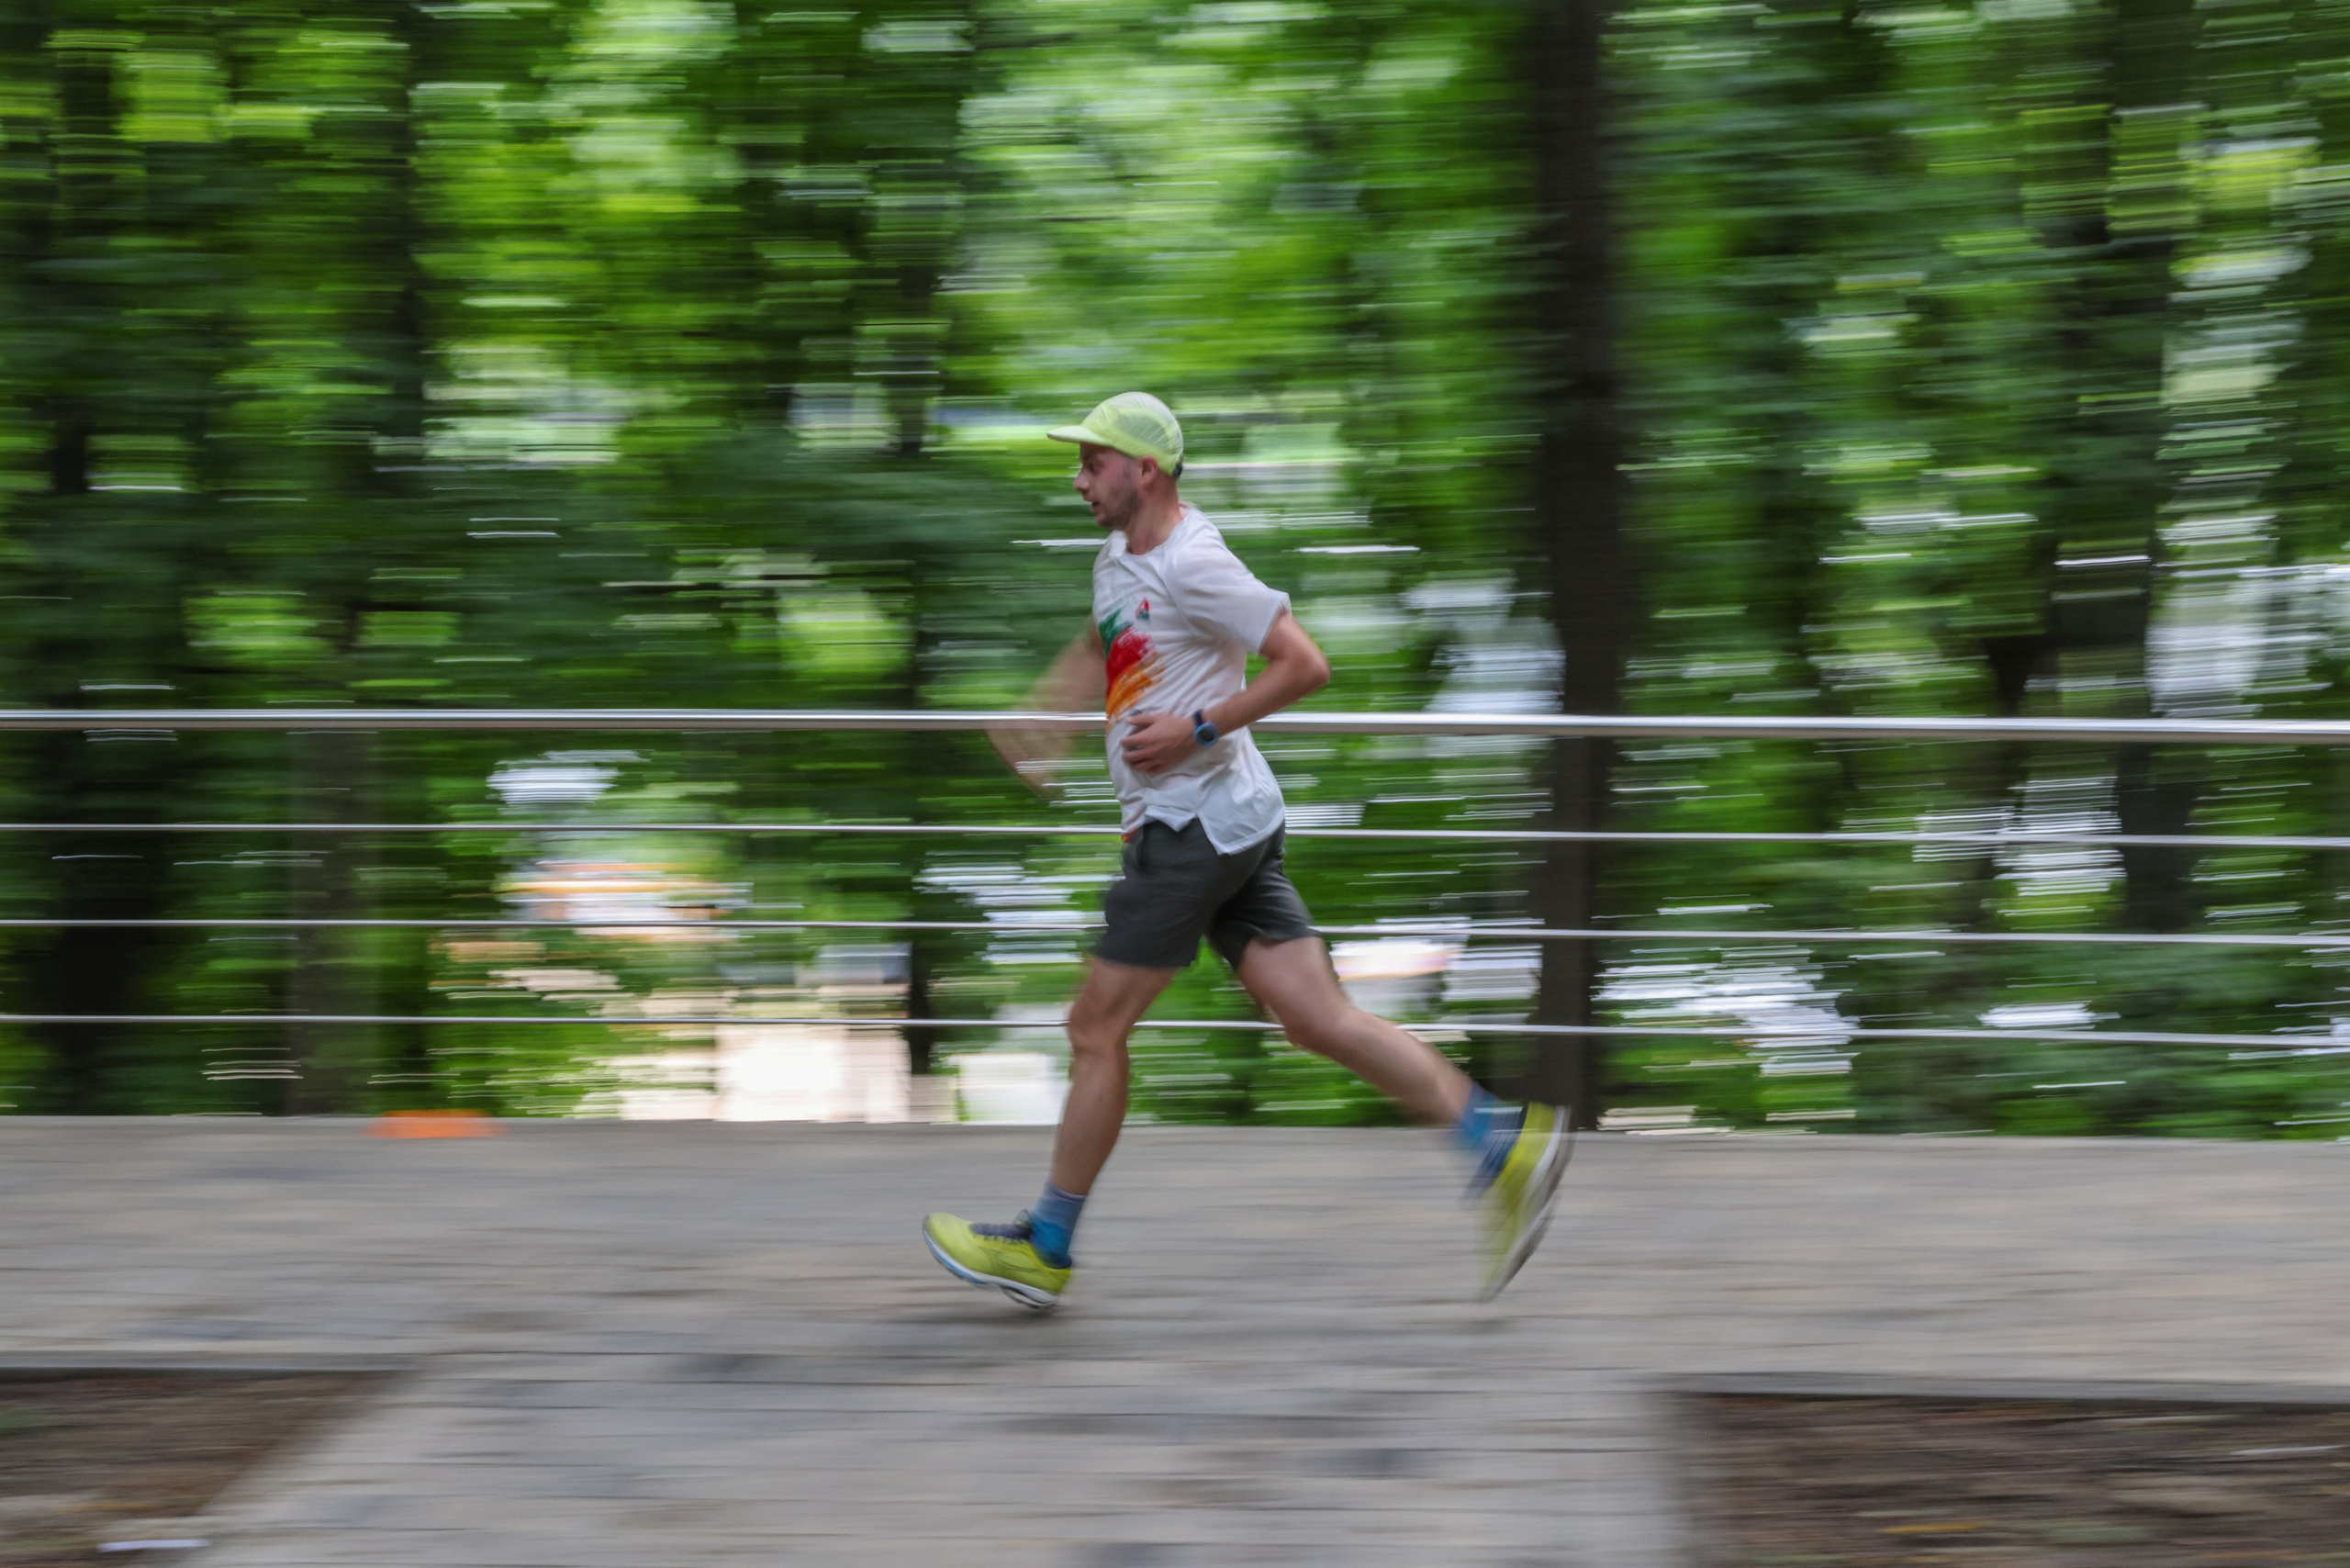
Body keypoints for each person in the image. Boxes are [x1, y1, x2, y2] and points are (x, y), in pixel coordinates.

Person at [923, 392, 1568, 1309]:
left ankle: (1045, 1245)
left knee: (1094, 1028)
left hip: (1190, 830)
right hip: (1227, 821)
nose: (1077, 479)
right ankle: (1499, 1141)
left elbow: (1304, 664)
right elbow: (1107, 634)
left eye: (1091, 463)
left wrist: (1193, 727)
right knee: (1314, 1018)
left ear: (1142, 470)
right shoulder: (1120, 555)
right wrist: (1048, 714)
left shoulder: (1196, 559)